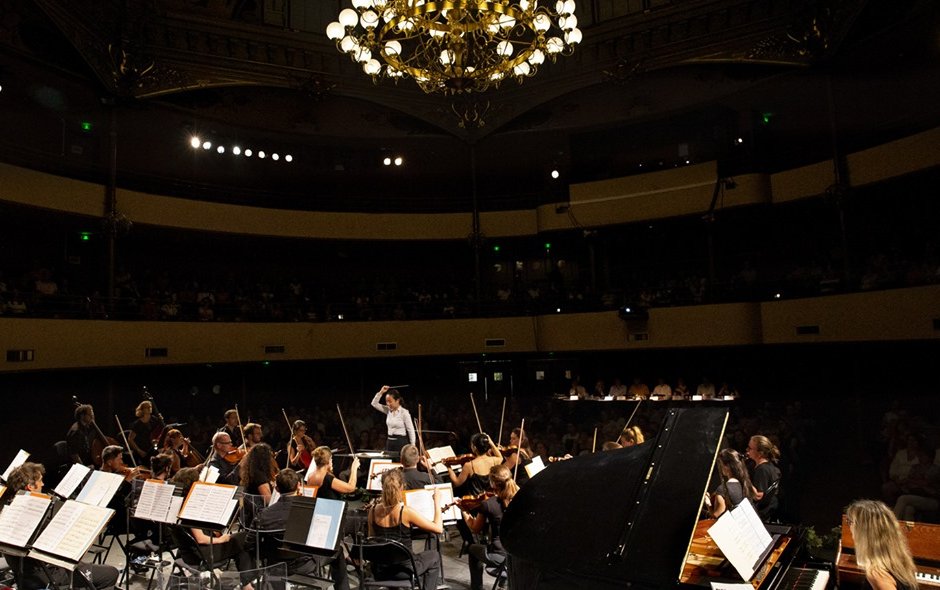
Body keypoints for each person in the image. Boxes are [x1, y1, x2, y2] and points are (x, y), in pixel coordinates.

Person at [2, 462, 120, 590]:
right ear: (30, 486)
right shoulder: (35, 515)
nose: (43, 484)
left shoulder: (8, 512)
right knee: (110, 573)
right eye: (40, 481)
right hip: (49, 576)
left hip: (25, 579)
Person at [246, 469, 350, 590]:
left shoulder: (263, 514)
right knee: (338, 551)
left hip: (274, 565)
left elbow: (249, 544)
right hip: (305, 564)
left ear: (277, 489)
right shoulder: (310, 511)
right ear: (299, 486)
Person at [170, 467, 254, 587]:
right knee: (242, 539)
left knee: (238, 544)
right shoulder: (190, 507)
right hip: (201, 554)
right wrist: (221, 539)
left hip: (187, 552)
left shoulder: (178, 503)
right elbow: (201, 539)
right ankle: (247, 585)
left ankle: (247, 584)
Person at [368, 468, 443, 590]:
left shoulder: (372, 511)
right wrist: (437, 502)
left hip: (380, 570)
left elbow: (372, 541)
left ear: (382, 487)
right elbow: (438, 528)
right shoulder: (406, 512)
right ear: (402, 487)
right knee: (434, 556)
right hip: (405, 571)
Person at [463, 464, 518, 590]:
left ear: (493, 484)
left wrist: (464, 511)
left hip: (500, 555)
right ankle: (504, 581)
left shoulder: (489, 504)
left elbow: (475, 529)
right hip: (518, 554)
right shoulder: (520, 498)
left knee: (471, 548)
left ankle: (477, 587)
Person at [845, 500, 919, 590]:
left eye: (850, 522)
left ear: (864, 531)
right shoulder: (901, 561)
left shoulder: (876, 574)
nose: (850, 527)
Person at [710, 449, 756, 518]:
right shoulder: (747, 483)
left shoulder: (723, 489)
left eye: (721, 464)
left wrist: (708, 504)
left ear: (727, 466)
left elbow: (716, 516)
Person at [371, 385, 415, 454]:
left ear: (397, 401)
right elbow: (374, 403)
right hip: (389, 442)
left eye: (390, 401)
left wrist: (413, 446)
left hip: (401, 443)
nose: (388, 404)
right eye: (386, 401)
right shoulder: (388, 410)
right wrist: (381, 392)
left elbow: (411, 430)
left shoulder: (404, 412)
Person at [747, 435, 782, 521]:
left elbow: (758, 496)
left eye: (750, 448)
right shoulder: (767, 466)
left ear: (760, 453)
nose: (747, 450)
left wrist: (744, 479)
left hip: (763, 516)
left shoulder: (762, 470)